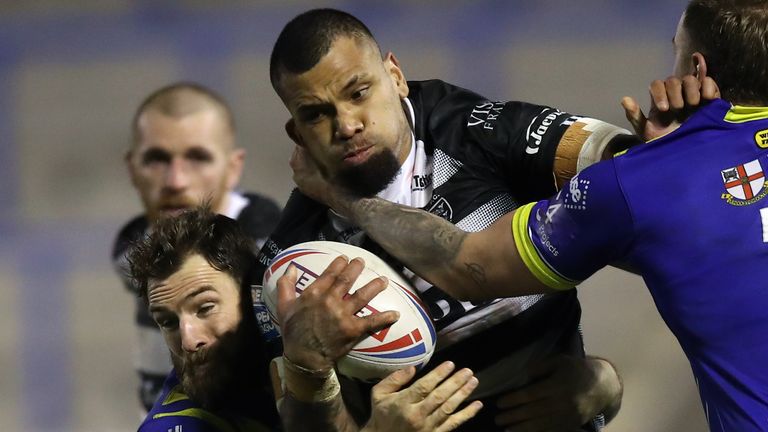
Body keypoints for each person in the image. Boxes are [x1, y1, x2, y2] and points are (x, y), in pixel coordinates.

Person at [290, 1, 766, 431]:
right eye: (316, 114)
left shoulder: (638, 183)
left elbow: (465, 265)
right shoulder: (287, 251)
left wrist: (344, 198)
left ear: (696, 68)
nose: (347, 125)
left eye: (676, 51)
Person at [259, 8, 639, 431]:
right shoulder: (292, 264)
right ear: (296, 133)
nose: (347, 124)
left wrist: (603, 382)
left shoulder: (475, 130)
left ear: (395, 75)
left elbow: (627, 165)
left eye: (358, 92)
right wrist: (311, 373)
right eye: (316, 114)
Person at [127, 207, 483, 431]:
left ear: (256, 297)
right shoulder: (178, 425)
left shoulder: (318, 348)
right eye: (168, 322)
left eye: (205, 309)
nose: (189, 340)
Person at [112, 82, 282, 412]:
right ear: (132, 169)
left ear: (233, 168)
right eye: (157, 159)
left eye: (197, 157)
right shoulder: (128, 253)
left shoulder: (277, 260)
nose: (176, 181)